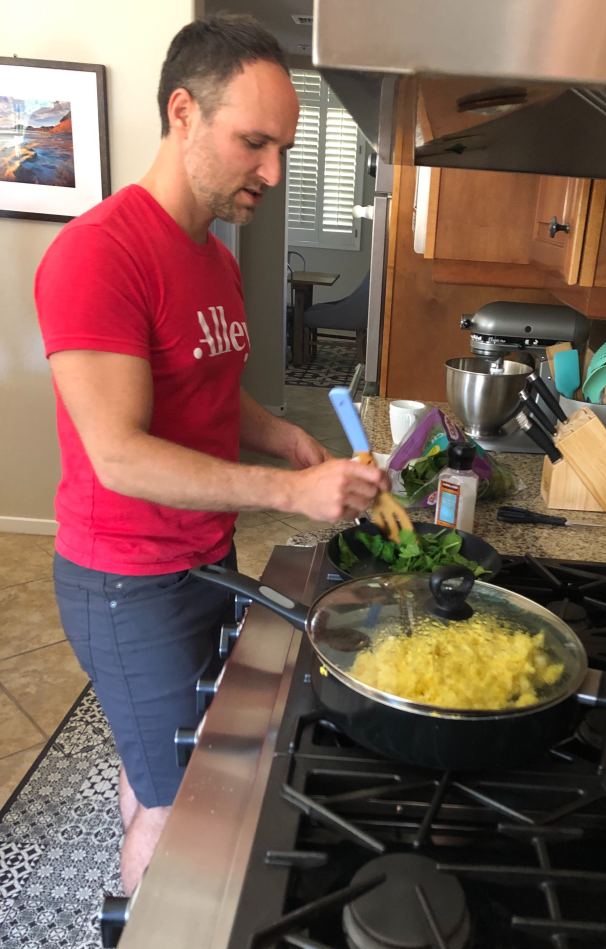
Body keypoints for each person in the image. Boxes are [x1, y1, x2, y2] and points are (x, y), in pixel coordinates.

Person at [34, 13, 387, 897]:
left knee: (168, 757)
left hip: (199, 557)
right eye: (254, 143)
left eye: (283, 149)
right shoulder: (97, 256)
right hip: (127, 581)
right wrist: (292, 491)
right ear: (184, 113)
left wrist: (287, 437)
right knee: (176, 803)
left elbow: (208, 396)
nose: (272, 172)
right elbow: (119, 454)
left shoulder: (213, 259)